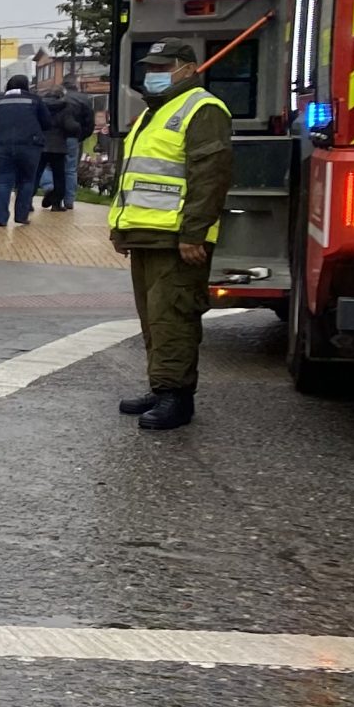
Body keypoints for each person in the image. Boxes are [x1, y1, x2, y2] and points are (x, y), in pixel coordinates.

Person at [109, 42, 232, 430]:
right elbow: (133, 176)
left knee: (174, 317)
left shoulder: (203, 109)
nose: (154, 73)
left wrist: (193, 233)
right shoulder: (155, 110)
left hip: (178, 237)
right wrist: (121, 228)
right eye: (151, 67)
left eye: (164, 67)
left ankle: (176, 397)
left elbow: (210, 176)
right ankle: (161, 385)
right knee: (153, 319)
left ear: (189, 69)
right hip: (146, 234)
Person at [0, 73, 52, 227]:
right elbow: (47, 123)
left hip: (2, 145)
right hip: (29, 145)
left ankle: (1, 219)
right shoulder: (35, 100)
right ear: (26, 86)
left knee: (4, 181)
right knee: (27, 180)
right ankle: (21, 216)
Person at [51, 88, 96, 211]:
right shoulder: (84, 99)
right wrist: (80, 136)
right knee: (70, 170)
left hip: (53, 138)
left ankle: (50, 189)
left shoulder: (54, 98)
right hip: (72, 138)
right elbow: (89, 122)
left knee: (49, 167)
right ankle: (69, 200)